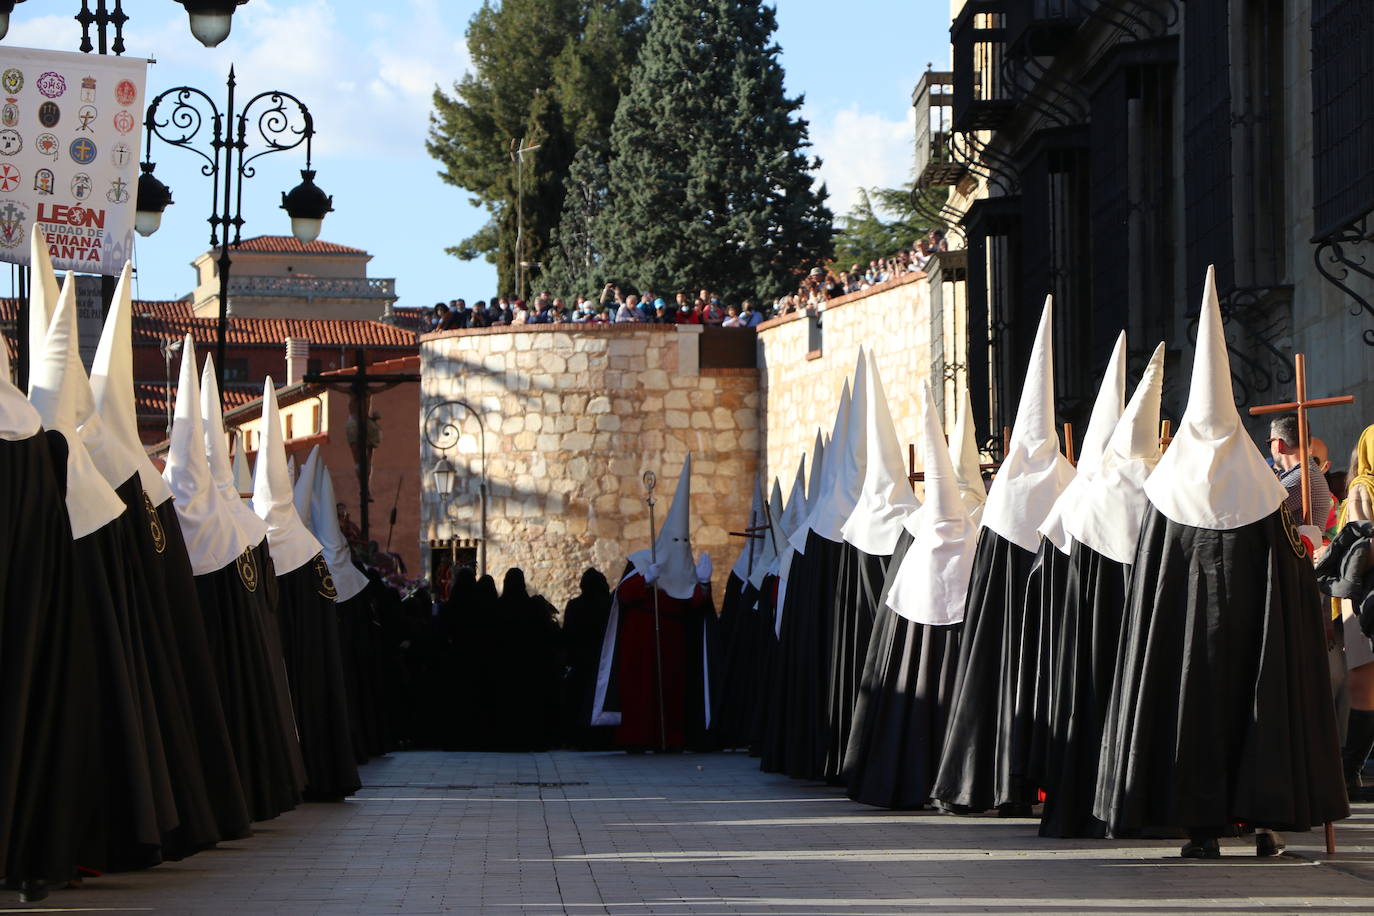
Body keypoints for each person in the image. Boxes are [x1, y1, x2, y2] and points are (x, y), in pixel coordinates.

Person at [1094, 266, 1347, 857]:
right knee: (1259, 714)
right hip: (1256, 645)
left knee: (1194, 717)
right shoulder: (1261, 490)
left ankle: (1202, 831)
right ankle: (1266, 824)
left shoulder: (1165, 494)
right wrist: (1305, 537)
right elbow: (1291, 568)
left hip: (1186, 649)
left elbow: (1149, 582)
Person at [592, 457, 718, 750]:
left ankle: (669, 740)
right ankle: (638, 739)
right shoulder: (642, 561)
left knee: (671, 692)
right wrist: (645, 579)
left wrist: (703, 583)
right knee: (640, 692)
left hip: (672, 640)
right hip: (640, 640)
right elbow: (622, 596)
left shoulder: (683, 564)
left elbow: (695, 606)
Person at [1331, 424, 1374, 801]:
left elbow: (1359, 548)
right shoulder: (1364, 488)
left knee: (1364, 688)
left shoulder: (1361, 488)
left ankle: (1349, 770)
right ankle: (1350, 770)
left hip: (1364, 599)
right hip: (1365, 598)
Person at [1270, 413, 1332, 530]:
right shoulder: (1305, 473)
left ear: (1278, 445)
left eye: (1270, 442)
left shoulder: (1302, 477)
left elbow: (1259, 513)